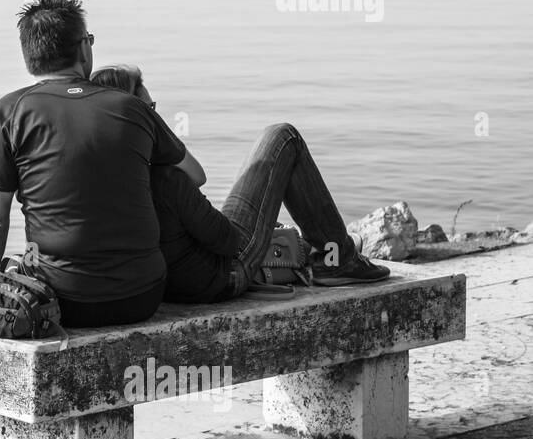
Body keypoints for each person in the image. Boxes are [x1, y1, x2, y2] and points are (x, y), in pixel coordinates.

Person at [0, 0, 204, 352]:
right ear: (84, 48)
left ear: (29, 58)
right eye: (89, 40)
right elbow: (192, 177)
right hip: (143, 294)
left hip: (64, 304)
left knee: (18, 262)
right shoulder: (132, 107)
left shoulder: (9, 112)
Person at [90, 64, 389, 303]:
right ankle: (340, 259)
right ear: (141, 118)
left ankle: (329, 251)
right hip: (221, 277)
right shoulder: (166, 177)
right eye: (151, 109)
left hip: (163, 286)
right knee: (283, 137)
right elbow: (226, 240)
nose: (157, 116)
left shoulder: (101, 177)